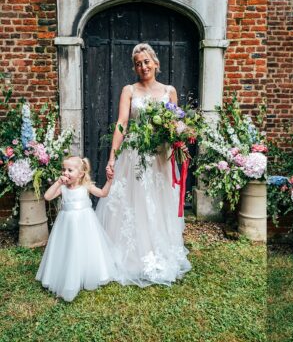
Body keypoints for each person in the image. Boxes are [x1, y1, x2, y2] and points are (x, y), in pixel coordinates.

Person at [96, 43, 191, 287]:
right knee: (133, 201)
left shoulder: (169, 91)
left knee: (158, 202)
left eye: (146, 61)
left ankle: (159, 252)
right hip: (134, 155)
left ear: (156, 64)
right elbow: (122, 123)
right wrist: (112, 157)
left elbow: (176, 123)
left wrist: (178, 138)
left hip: (160, 155)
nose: (143, 66)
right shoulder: (129, 90)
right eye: (138, 63)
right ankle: (132, 257)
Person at [36, 156, 118, 302]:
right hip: (66, 224)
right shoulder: (62, 188)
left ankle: (87, 273)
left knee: (85, 248)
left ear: (80, 174)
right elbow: (48, 197)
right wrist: (58, 182)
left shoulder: (86, 186)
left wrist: (109, 181)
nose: (65, 172)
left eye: (70, 170)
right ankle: (66, 274)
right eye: (64, 169)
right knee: (68, 248)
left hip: (85, 222)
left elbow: (102, 194)